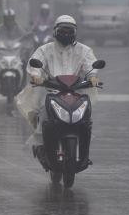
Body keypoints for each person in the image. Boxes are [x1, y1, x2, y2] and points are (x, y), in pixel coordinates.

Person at [18, 15, 101, 159]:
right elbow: (35, 63)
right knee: (43, 112)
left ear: (75, 32)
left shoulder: (84, 50)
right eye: (63, 30)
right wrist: (36, 75)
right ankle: (41, 143)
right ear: (55, 31)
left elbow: (90, 66)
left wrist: (92, 76)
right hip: (51, 90)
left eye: (70, 31)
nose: (66, 34)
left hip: (75, 92)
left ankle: (83, 144)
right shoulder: (45, 50)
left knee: (86, 116)